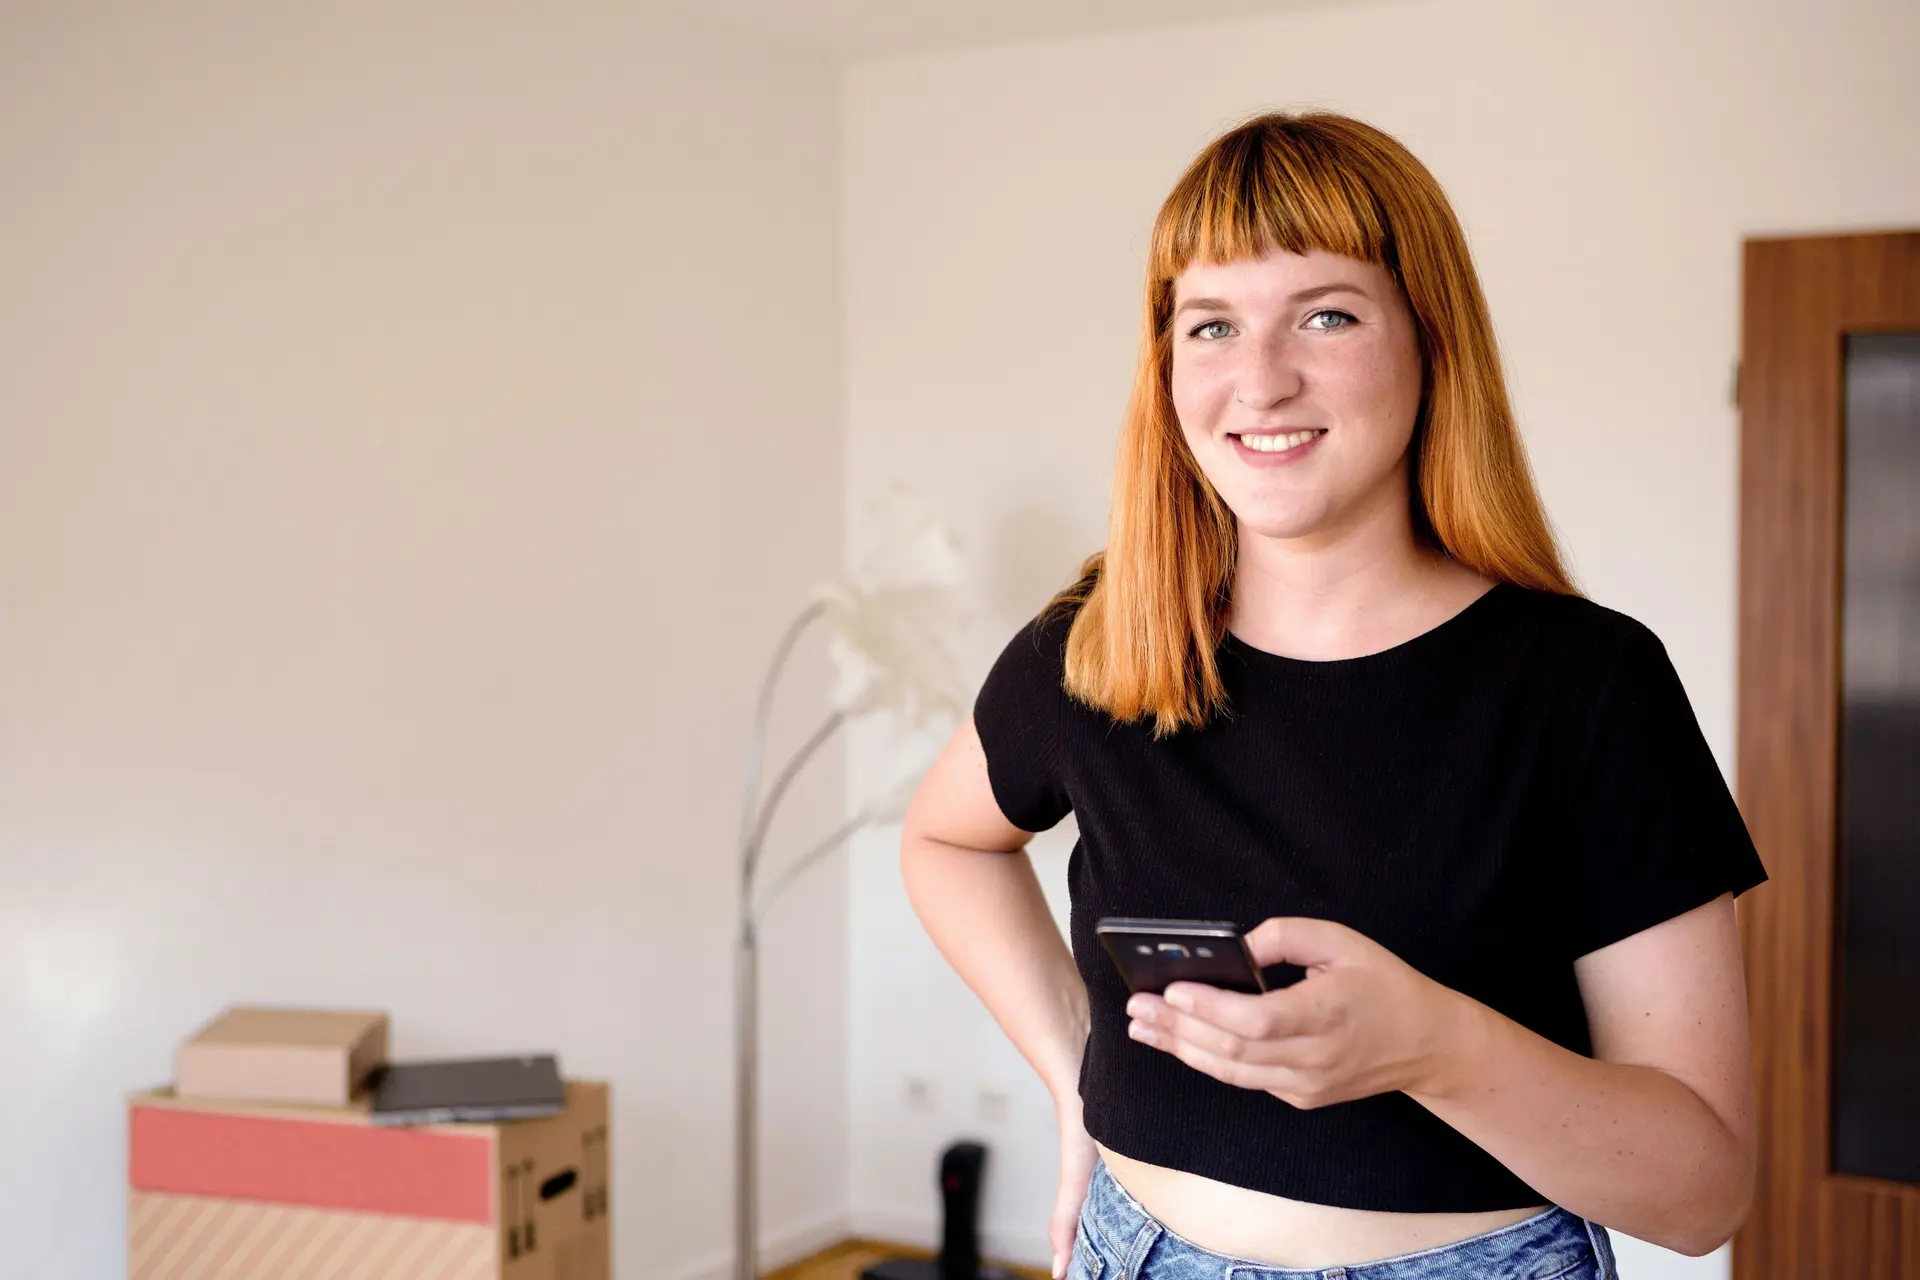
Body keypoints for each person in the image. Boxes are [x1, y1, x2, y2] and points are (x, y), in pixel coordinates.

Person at [898, 112, 1768, 1280]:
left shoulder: (1586, 684)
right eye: (1211, 325)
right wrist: (1075, 1077)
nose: (1260, 378)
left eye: (1327, 313)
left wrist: (1432, 1046)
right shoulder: (1100, 643)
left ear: (1430, 338)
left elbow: (1703, 1190)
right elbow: (945, 839)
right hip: (1131, 1252)